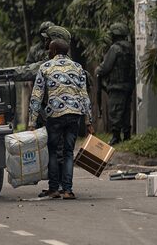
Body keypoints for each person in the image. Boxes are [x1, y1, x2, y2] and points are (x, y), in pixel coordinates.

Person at [27, 39, 94, 200]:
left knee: (53, 151)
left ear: (55, 51)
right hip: (74, 114)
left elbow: (36, 96)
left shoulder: (45, 67)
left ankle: (54, 189)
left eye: (50, 50)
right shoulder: (78, 67)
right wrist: (89, 121)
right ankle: (68, 190)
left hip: (55, 115)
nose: (48, 52)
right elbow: (84, 95)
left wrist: (32, 122)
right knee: (69, 152)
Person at [95, 22, 135, 145]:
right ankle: (127, 135)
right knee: (126, 111)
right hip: (128, 85)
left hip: (116, 86)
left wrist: (98, 70)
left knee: (115, 111)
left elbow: (106, 67)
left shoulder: (115, 48)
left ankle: (116, 136)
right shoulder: (130, 47)